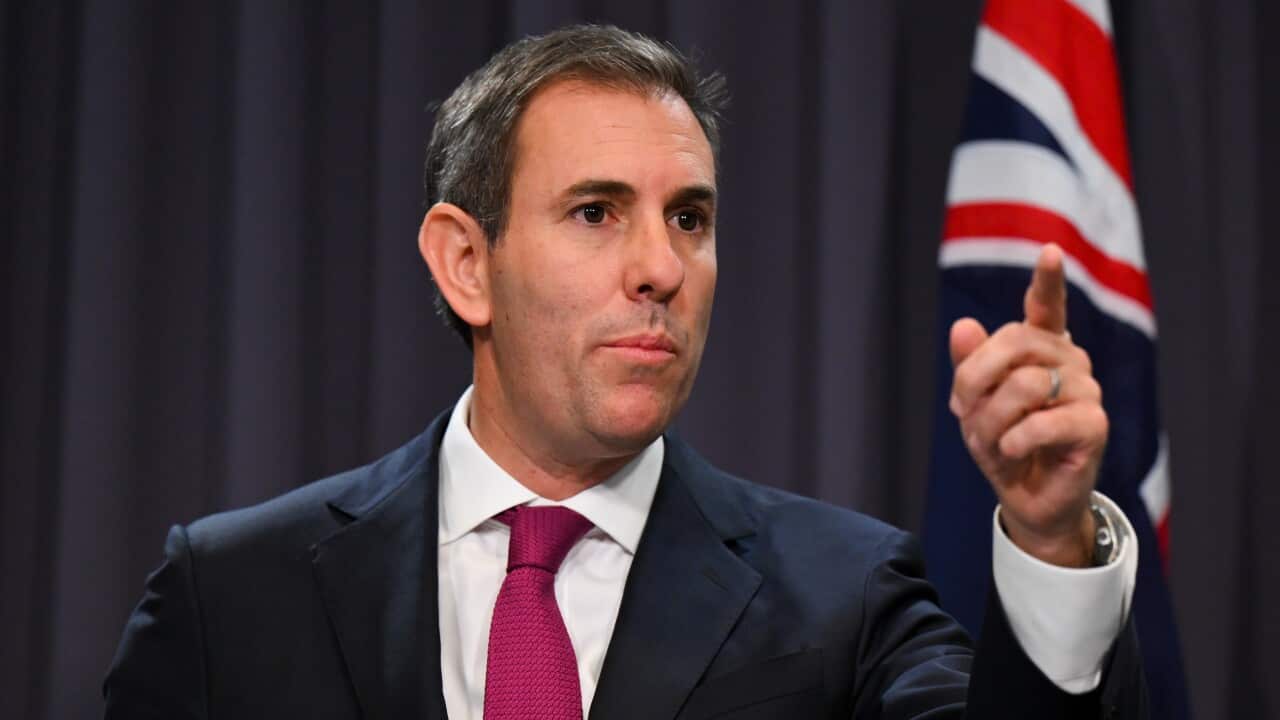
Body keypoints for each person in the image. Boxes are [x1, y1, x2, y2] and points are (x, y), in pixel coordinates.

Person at [104, 24, 1146, 719]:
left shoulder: (847, 599)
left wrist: (1052, 541)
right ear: (466, 262)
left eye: (687, 219)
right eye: (596, 213)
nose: (660, 268)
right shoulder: (233, 595)